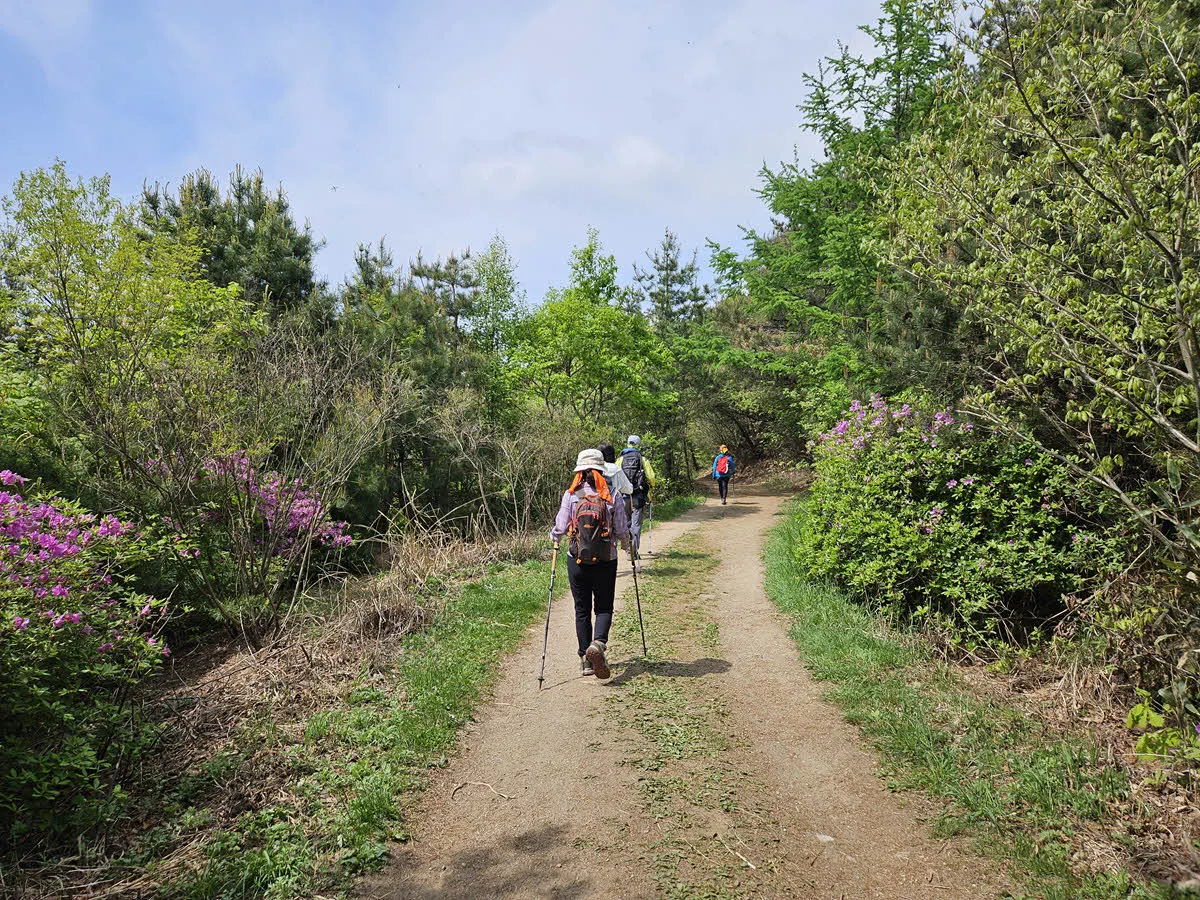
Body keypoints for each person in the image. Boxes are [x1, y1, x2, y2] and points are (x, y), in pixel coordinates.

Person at [550, 448, 631, 680]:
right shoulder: (611, 494)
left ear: (581, 471)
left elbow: (561, 526)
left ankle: (585, 661)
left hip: (576, 560)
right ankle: (598, 644)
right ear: (601, 469)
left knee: (582, 609)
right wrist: (627, 548)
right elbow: (622, 529)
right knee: (604, 606)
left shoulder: (571, 494)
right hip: (606, 559)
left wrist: (554, 537)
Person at [619, 435, 655, 557]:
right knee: (636, 524)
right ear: (638, 444)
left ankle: (627, 548)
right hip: (638, 497)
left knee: (626, 523)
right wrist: (650, 490)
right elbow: (651, 478)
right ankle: (633, 552)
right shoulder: (642, 459)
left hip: (624, 497)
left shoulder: (620, 459)